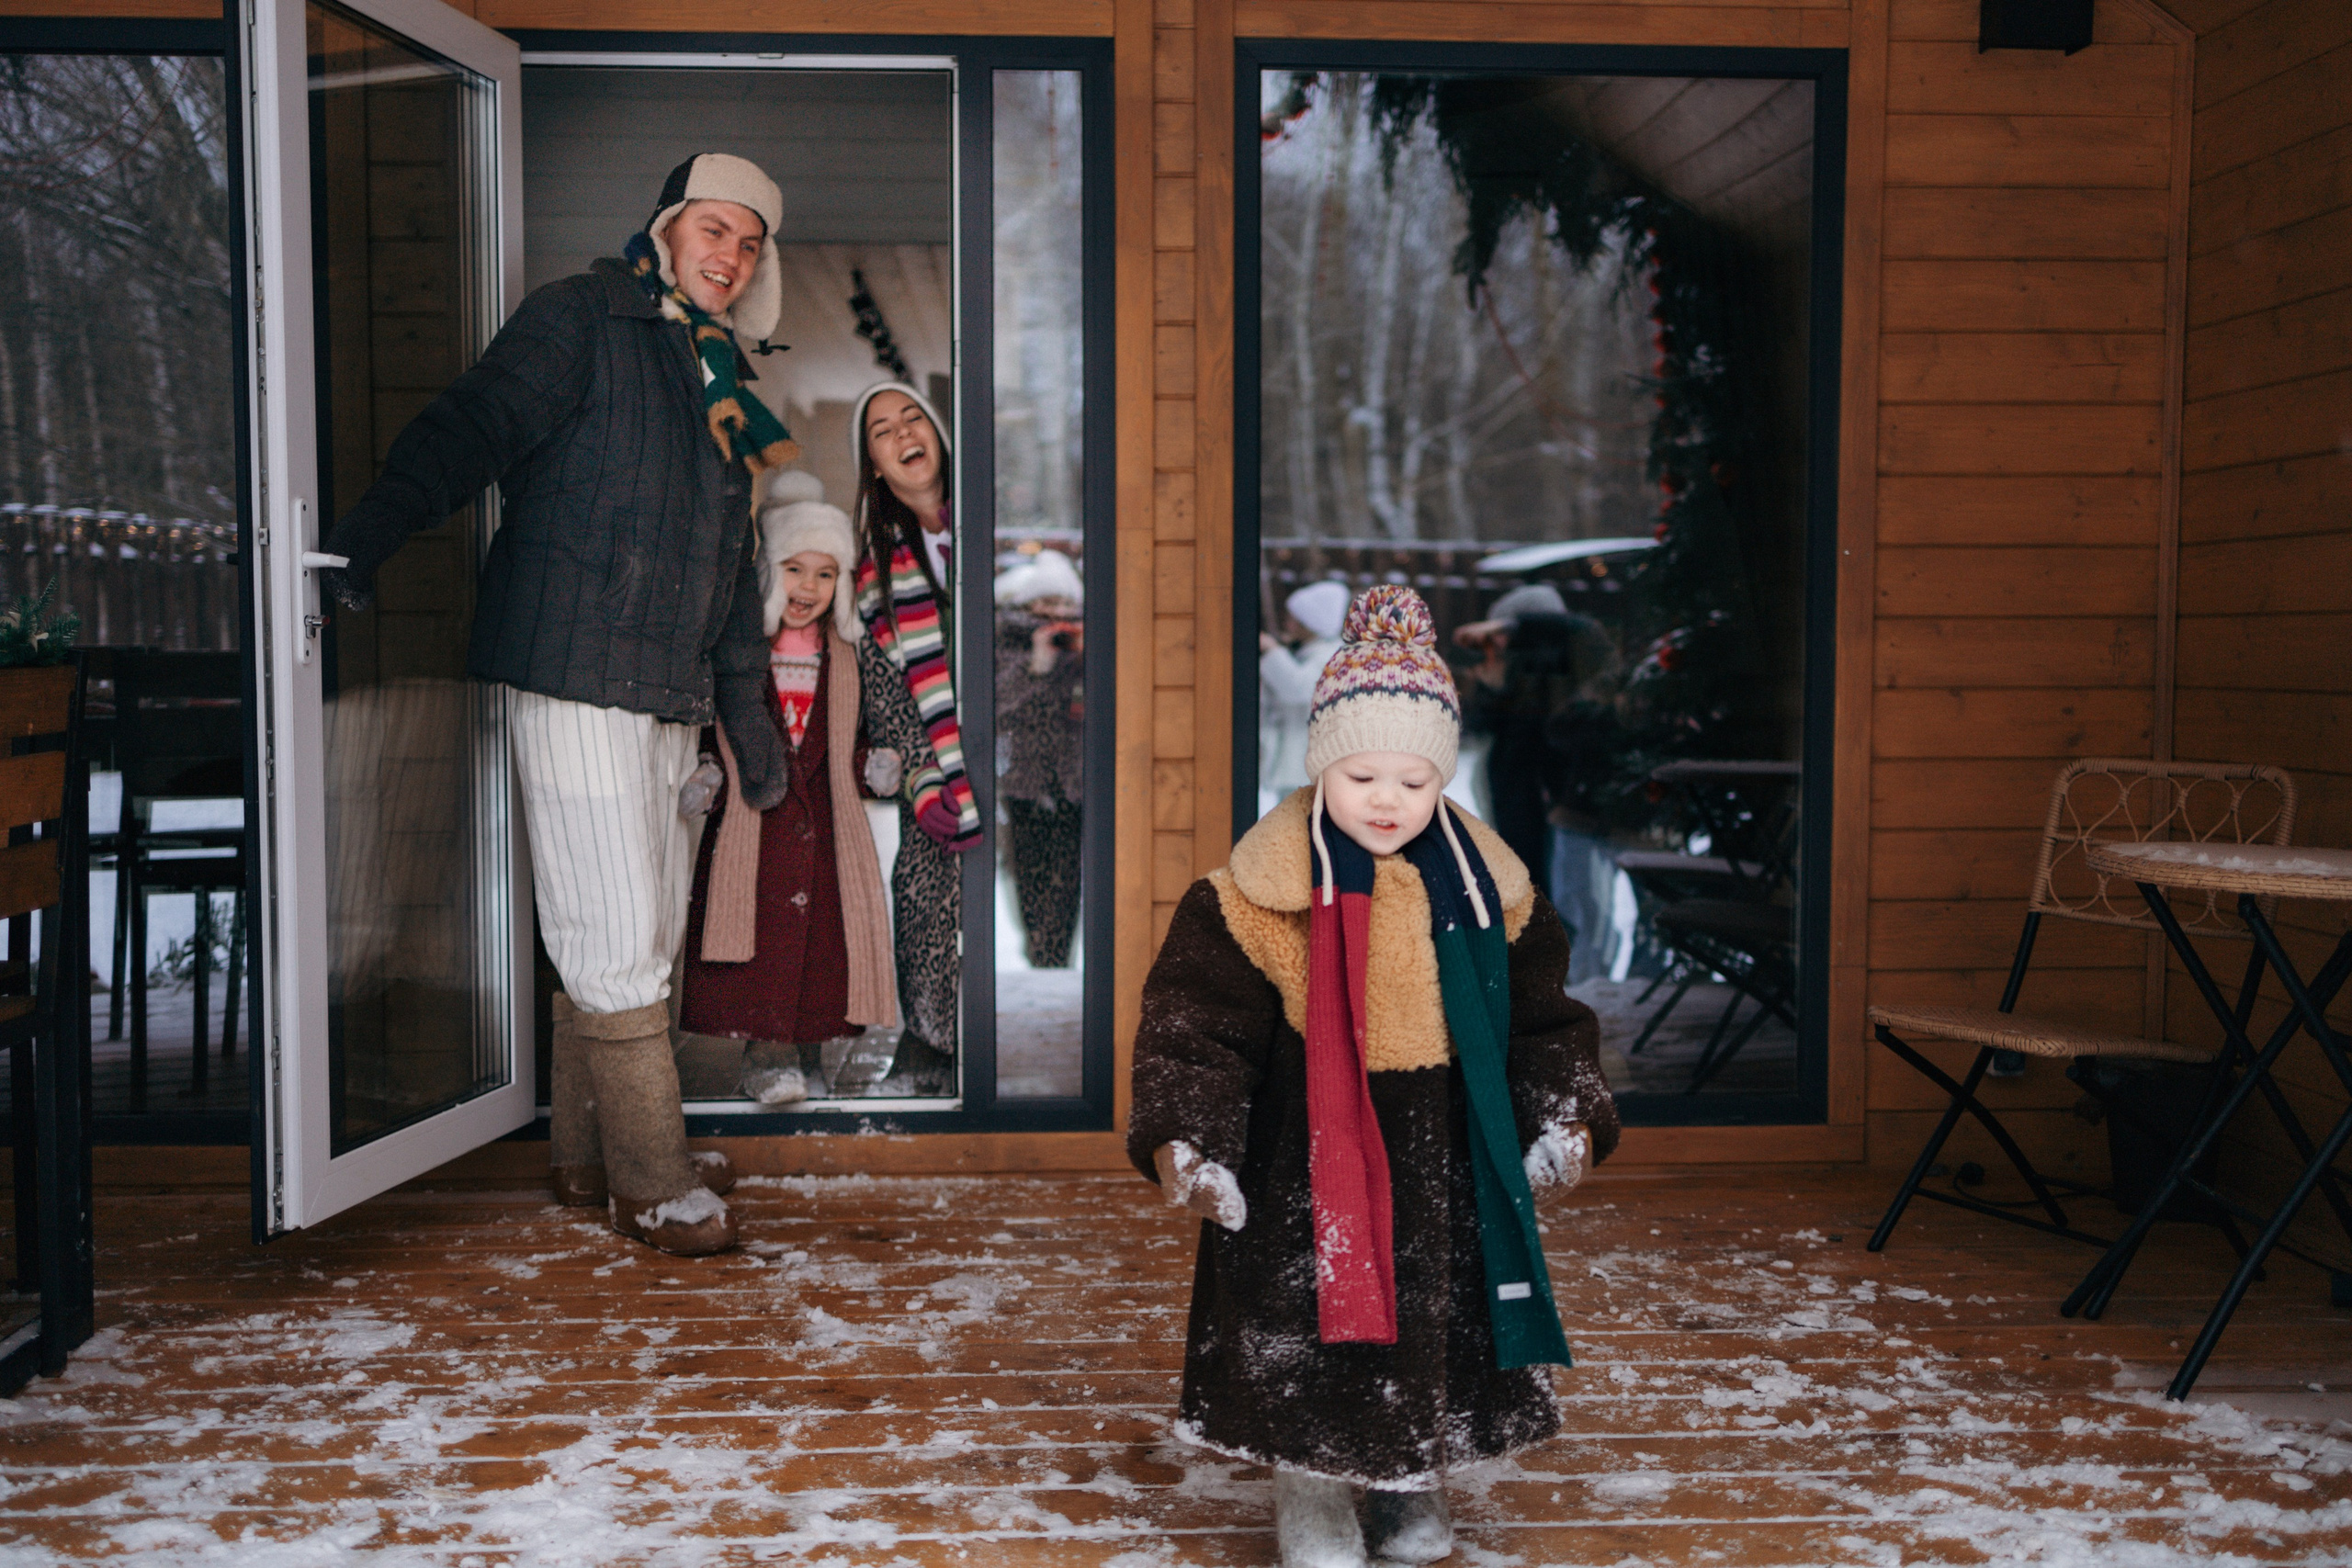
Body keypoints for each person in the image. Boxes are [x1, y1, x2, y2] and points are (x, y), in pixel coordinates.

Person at [319, 152, 800, 1257]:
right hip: (572, 666)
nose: (729, 255)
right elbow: (475, 424)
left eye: (750, 242)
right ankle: (652, 1179)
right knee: (612, 930)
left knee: (637, 930)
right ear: (669, 228)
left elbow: (733, 585)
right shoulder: (582, 318)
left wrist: (750, 729)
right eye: (714, 230)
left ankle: (592, 1158)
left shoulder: (723, 381)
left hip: (667, 691)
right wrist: (377, 523)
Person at [1129, 585, 1620, 1568]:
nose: (1386, 800)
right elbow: (1195, 1029)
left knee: (1429, 1321)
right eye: (1360, 776)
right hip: (1301, 1150)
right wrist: (1190, 1137)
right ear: (1320, 767)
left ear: (1443, 775)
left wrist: (1565, 1117)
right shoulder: (1252, 898)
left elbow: (1545, 1023)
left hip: (1441, 1143)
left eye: (1411, 779)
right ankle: (1308, 1486)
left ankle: (1408, 1483)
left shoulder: (1499, 898)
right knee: (1309, 1317)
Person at [677, 472, 944, 1103]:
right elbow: (718, 726)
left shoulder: (844, 656)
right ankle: (766, 1055)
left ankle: (814, 1049)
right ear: (770, 571)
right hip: (758, 827)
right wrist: (710, 771)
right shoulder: (743, 653)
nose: (810, 588)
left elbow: (845, 742)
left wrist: (870, 769)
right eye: (796, 569)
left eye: (826, 574)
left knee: (825, 947)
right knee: (762, 947)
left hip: (827, 830)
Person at [850, 380, 979, 1093]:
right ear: (875, 463)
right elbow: (885, 689)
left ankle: (1003, 1040)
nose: (904, 434)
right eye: (882, 430)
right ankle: (931, 1043)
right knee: (922, 894)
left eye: (913, 418)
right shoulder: (874, 572)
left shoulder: (992, 528)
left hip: (1000, 747)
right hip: (932, 763)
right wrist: (923, 776)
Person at [1457, 581, 1623, 980]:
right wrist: (1491, 688)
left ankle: (1568, 966)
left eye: (1507, 631)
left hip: (1560, 785)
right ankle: (1541, 962)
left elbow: (1554, 721)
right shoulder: (1516, 663)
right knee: (1531, 874)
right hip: (1522, 783)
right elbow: (1486, 725)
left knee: (1567, 883)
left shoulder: (1575, 651)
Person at [993, 549, 1086, 967]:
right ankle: (1037, 949)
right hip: (1025, 778)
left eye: (1066, 604)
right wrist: (1038, 663)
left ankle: (1059, 954)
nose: (1057, 614)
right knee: (1027, 868)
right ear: (1028, 606)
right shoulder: (1007, 641)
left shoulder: (1089, 644)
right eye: (1048, 604)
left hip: (1076, 779)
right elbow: (1000, 708)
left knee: (1069, 873)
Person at [1257, 579, 1351, 816]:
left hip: (1309, 765)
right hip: (1297, 762)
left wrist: (1272, 652)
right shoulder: (1311, 653)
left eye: (1294, 618)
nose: (1288, 623)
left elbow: (1298, 689)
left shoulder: (1331, 656)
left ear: (1310, 623)